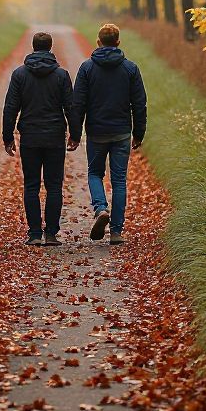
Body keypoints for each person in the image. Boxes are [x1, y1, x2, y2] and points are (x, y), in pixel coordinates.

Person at [3, 31, 81, 247]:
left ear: (33, 46)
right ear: (50, 47)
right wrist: (75, 134)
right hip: (55, 136)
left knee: (31, 185)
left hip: (30, 136)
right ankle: (52, 234)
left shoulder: (20, 75)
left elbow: (11, 107)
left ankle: (35, 233)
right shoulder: (61, 75)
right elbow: (70, 107)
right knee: (54, 185)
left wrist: (7, 136)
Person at [72, 22, 147, 245]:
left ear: (98, 42)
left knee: (95, 173)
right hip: (122, 132)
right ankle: (116, 231)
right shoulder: (130, 68)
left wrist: (75, 134)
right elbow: (140, 104)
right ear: (118, 42)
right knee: (119, 180)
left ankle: (101, 208)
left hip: (96, 131)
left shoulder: (87, 68)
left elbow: (78, 103)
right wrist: (139, 132)